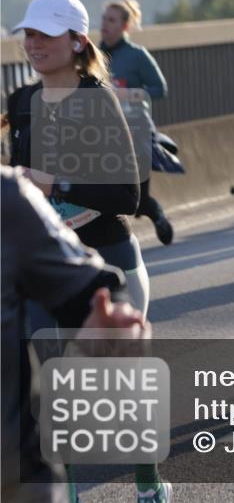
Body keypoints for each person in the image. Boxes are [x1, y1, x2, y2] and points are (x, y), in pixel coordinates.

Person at [7, 0, 169, 502]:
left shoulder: (99, 99)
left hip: (109, 260)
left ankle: (148, 483)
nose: (33, 44)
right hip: (44, 267)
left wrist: (56, 184)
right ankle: (67, 494)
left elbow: (128, 193)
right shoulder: (19, 103)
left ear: (77, 41)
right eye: (28, 34)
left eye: (45, 35)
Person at [2, 165, 152, 503]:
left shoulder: (7, 198)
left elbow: (128, 195)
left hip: (19, 481)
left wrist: (102, 313)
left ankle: (148, 484)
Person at [99, 0, 174, 246]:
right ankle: (113, 244)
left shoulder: (137, 55)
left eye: (112, 20)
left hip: (136, 131)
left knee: (138, 198)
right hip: (102, 135)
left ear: (125, 26)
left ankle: (158, 216)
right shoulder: (93, 56)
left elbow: (160, 88)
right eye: (103, 19)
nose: (105, 24)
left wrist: (130, 94)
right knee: (107, 193)